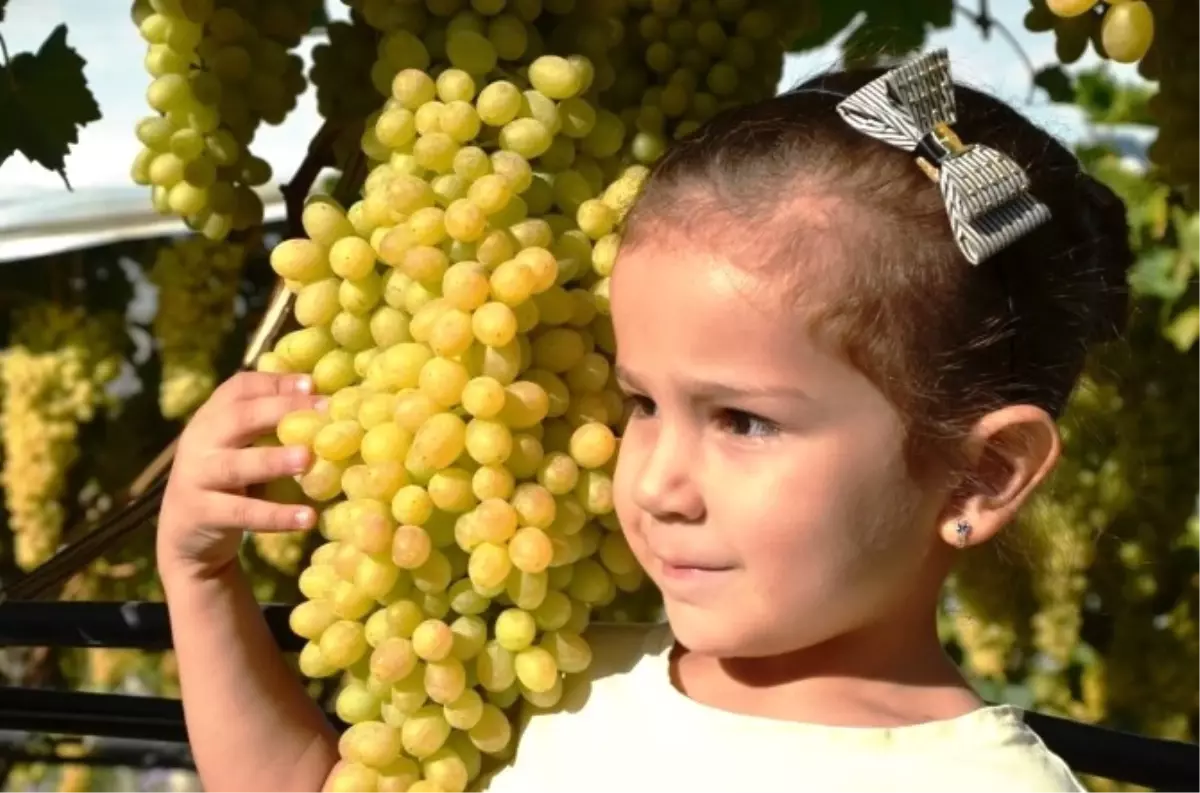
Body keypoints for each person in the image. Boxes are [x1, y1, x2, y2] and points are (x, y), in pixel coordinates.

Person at [157, 51, 1128, 792]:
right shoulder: (573, 674)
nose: (658, 479)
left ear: (982, 475)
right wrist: (198, 581)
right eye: (642, 404)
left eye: (742, 422)